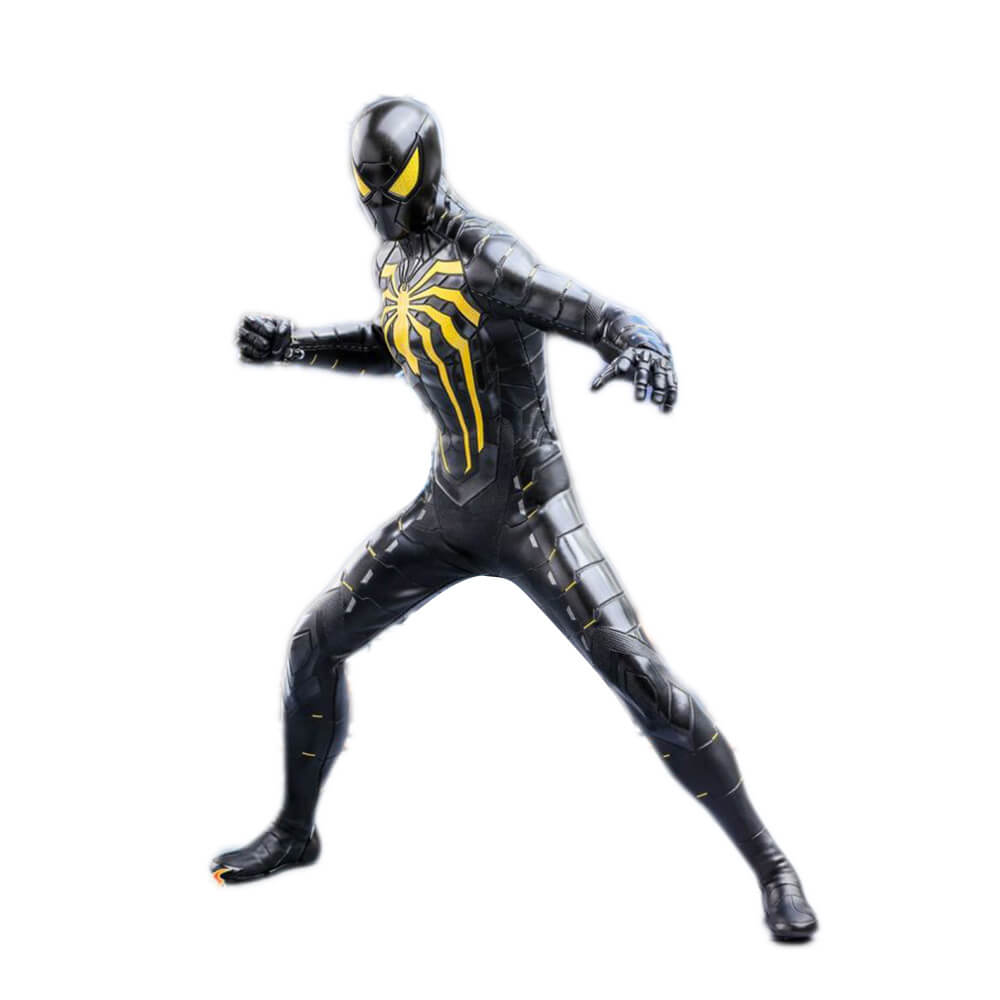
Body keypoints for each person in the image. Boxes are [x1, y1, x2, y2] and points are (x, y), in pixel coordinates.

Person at [213, 97, 818, 942]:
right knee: (313, 644)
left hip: (535, 511)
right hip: (449, 507)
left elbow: (586, 310)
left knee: (642, 679)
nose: (379, 204)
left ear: (426, 168)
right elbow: (401, 341)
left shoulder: (487, 257)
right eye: (367, 188)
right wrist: (298, 345)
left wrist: (638, 338)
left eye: (391, 185)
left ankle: (774, 867)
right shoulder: (395, 258)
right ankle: (295, 830)